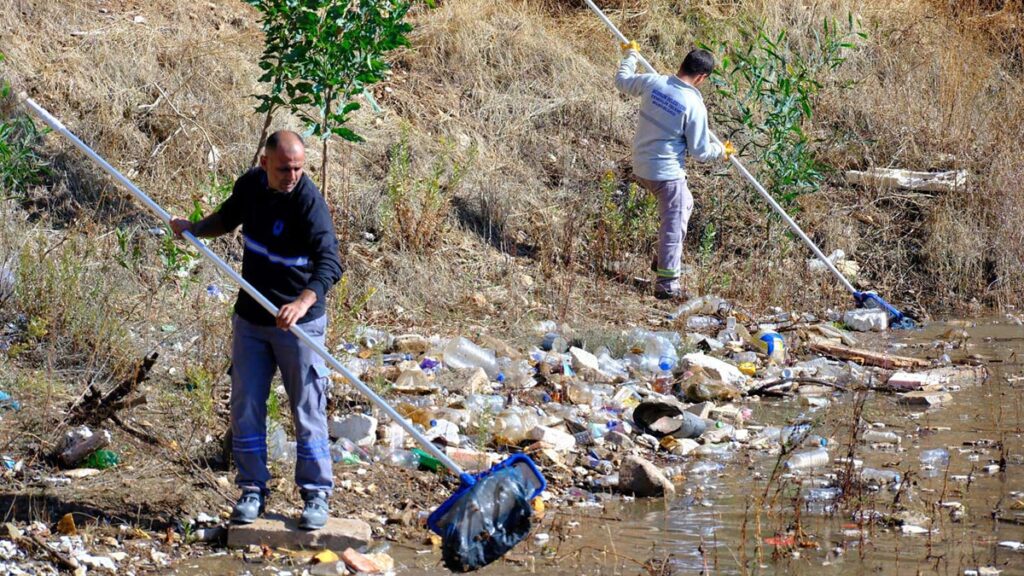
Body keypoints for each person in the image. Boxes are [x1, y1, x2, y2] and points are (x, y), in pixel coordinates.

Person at [170, 130, 342, 530]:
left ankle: (316, 495)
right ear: (265, 163)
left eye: (299, 168)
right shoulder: (250, 185)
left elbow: (329, 263)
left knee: (307, 407)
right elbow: (228, 218)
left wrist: (301, 303)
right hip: (251, 320)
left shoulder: (308, 202)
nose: (293, 175)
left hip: (300, 326)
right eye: (284, 168)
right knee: (246, 403)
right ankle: (252, 490)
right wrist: (194, 227)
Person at [615, 44, 735, 300]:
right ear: (702, 77)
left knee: (685, 203)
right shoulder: (693, 105)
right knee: (673, 223)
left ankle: (663, 259)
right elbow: (701, 152)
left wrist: (631, 56)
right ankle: (667, 284)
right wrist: (721, 152)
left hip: (641, 166)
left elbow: (622, 81)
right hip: (666, 173)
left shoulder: (653, 82)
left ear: (683, 64)